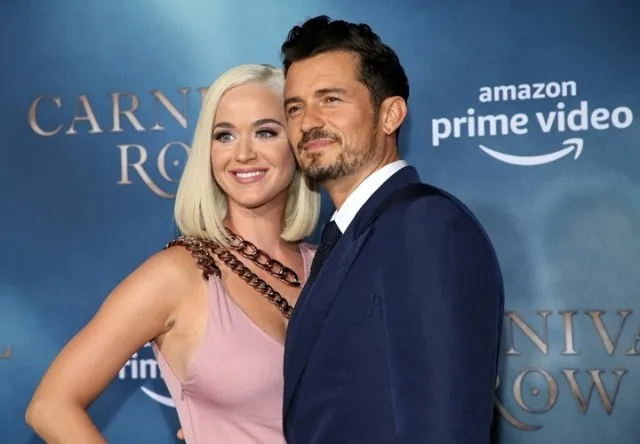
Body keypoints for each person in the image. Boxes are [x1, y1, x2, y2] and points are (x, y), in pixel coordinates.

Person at [25, 64, 320, 444]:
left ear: (297, 144)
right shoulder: (177, 275)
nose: (243, 153)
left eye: (265, 132)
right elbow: (50, 406)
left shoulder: (330, 265)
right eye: (225, 135)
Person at [280, 16, 504, 443]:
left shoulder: (427, 225)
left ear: (390, 115)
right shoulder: (341, 239)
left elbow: (444, 428)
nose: (308, 122)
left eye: (331, 99)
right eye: (294, 107)